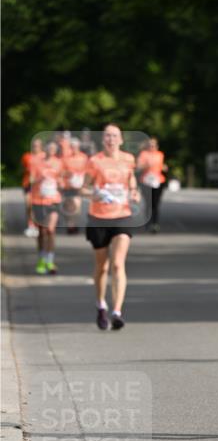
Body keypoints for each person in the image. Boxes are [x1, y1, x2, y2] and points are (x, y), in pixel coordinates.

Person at [82, 124, 139, 330]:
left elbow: (132, 183)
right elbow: (84, 188)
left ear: (121, 140)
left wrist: (134, 193)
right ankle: (101, 305)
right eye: (107, 136)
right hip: (98, 217)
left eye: (115, 136)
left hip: (122, 216)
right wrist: (95, 194)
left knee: (117, 264)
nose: (111, 139)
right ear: (102, 139)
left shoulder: (128, 160)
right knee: (102, 267)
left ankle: (117, 311)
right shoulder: (95, 161)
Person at [31, 140, 63, 275]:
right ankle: (41, 259)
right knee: (42, 232)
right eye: (49, 148)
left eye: (54, 149)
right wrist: (40, 178)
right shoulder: (37, 162)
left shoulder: (59, 163)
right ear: (45, 149)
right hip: (38, 200)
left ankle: (50, 261)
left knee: (50, 229)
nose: (51, 150)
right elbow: (31, 180)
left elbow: (62, 180)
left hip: (53, 200)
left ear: (56, 150)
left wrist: (60, 182)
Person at [137, 136, 168, 233]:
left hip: (158, 181)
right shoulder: (143, 154)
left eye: (153, 145)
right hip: (146, 181)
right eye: (150, 145)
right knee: (148, 203)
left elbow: (161, 166)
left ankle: (155, 223)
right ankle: (148, 221)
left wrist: (164, 167)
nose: (152, 147)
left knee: (156, 203)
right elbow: (138, 167)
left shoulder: (160, 154)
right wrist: (146, 165)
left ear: (157, 146)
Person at [60, 137, 89, 234]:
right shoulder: (65, 158)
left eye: (75, 146)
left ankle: (73, 224)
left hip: (78, 185)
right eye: (72, 147)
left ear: (78, 147)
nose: (74, 148)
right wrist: (67, 176)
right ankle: (70, 225)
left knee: (77, 205)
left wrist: (84, 182)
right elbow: (61, 171)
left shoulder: (84, 157)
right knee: (68, 206)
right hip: (68, 185)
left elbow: (87, 170)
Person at [20, 138, 44, 238]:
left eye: (37, 145)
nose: (35, 147)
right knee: (28, 204)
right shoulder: (26, 156)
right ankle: (31, 225)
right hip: (28, 184)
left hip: (40, 185)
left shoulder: (44, 156)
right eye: (33, 145)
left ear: (41, 146)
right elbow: (23, 168)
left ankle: (38, 225)